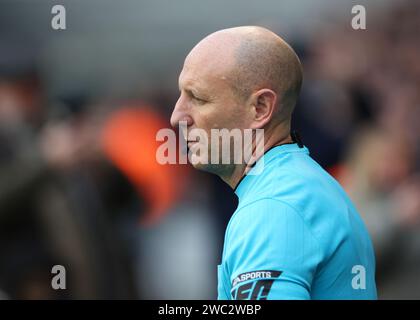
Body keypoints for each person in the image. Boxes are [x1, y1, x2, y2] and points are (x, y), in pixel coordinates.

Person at [170, 26, 377, 300]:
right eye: (181, 96)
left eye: (198, 98)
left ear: (260, 108)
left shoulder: (273, 207)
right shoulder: (296, 183)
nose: (177, 117)